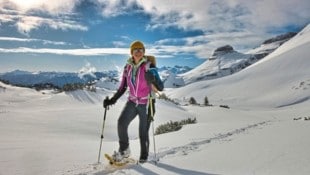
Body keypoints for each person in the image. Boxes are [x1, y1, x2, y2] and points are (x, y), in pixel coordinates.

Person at [103, 40, 164, 163]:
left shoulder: (149, 66)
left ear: (144, 52)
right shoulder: (128, 67)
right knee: (121, 123)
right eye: (135, 49)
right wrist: (112, 100)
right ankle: (124, 150)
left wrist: (153, 79)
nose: (138, 52)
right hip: (132, 102)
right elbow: (123, 87)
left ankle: (144, 157)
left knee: (143, 132)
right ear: (131, 52)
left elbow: (161, 87)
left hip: (146, 103)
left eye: (141, 49)